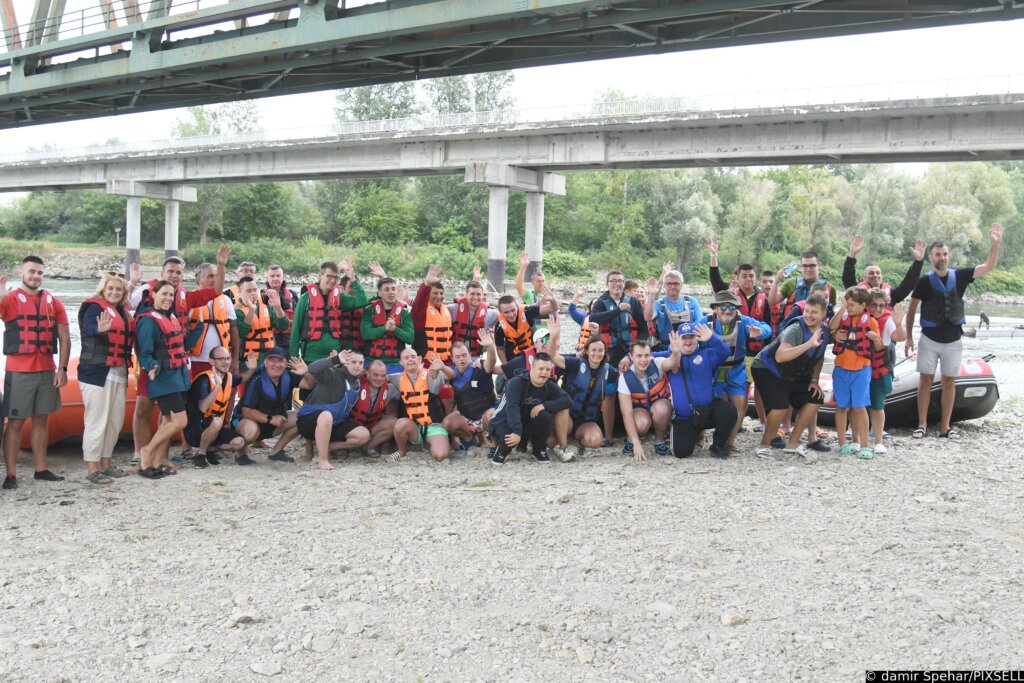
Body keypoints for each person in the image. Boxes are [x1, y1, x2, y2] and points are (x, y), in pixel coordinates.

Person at [128, 245, 229, 466]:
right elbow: (125, 305)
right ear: (162, 275)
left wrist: (221, 265)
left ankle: (161, 456)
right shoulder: (146, 292)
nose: (174, 276)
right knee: (144, 407)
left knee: (169, 414)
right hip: (152, 362)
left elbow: (217, 291)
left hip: (176, 365)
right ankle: (139, 452)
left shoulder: (186, 297)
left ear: (182, 276)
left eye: (178, 273)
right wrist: (132, 281)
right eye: (170, 272)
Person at [905, 224, 1003, 439]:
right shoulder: (924, 281)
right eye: (938, 254)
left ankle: (945, 427)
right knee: (925, 380)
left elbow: (989, 265)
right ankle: (921, 424)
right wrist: (909, 337)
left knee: (950, 381)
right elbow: (912, 309)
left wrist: (995, 244)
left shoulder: (961, 276)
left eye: (945, 254)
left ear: (948, 255)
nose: (942, 257)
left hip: (953, 340)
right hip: (929, 339)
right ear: (931, 257)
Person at [1, 256, 71, 490]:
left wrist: (62, 368)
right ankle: (11, 474)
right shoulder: (9, 299)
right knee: (15, 423)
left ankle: (40, 468)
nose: (35, 276)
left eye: (40, 272)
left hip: (46, 370)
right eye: (31, 271)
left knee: (42, 419)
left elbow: (64, 337)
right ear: (21, 271)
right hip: (18, 371)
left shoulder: (53, 301)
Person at [135, 280, 204, 479]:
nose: (168, 298)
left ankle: (155, 462)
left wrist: (198, 330)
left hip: (177, 376)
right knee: (180, 420)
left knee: (167, 420)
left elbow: (183, 345)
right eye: (163, 294)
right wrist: (151, 366)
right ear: (153, 295)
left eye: (171, 295)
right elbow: (145, 353)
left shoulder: (170, 316)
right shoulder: (148, 320)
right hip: (163, 378)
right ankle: (147, 452)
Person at [769, 252, 835, 453]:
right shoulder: (794, 295)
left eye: (812, 265)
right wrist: (777, 281)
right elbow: (774, 304)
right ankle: (784, 428)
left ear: (819, 265)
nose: (808, 268)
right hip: (792, 352)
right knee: (790, 389)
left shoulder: (829, 291)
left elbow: (830, 323)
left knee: (810, 391)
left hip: (811, 353)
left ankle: (812, 435)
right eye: (805, 265)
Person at [751, 295, 830, 459]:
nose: (808, 315)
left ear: (823, 315)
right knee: (780, 405)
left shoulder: (824, 331)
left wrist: (814, 380)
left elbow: (819, 356)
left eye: (814, 312)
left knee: (815, 398)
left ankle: (793, 443)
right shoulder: (795, 329)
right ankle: (764, 445)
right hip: (766, 368)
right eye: (806, 311)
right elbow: (780, 356)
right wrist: (809, 343)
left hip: (789, 373)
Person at [694, 290, 772, 451]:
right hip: (713, 373)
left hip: (736, 372)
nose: (727, 310)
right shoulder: (704, 322)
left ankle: (729, 442)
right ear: (715, 308)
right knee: (705, 405)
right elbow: (687, 333)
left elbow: (766, 327)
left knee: (741, 405)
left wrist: (760, 332)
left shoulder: (743, 322)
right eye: (723, 307)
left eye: (732, 307)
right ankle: (699, 436)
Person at [77, 273, 134, 485]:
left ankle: (106, 464)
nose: (114, 292)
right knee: (96, 421)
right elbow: (90, 329)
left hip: (118, 373)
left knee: (114, 422)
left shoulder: (122, 312)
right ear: (103, 289)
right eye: (110, 288)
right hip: (96, 373)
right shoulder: (94, 308)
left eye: (118, 289)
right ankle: (92, 469)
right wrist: (99, 330)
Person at [545, 317, 616, 462]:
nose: (597, 353)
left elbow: (609, 404)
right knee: (550, 442)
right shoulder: (575, 364)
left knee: (595, 441)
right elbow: (551, 357)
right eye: (593, 350)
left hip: (586, 421)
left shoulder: (611, 372)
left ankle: (576, 443)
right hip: (566, 415)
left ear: (605, 352)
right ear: (587, 351)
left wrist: (608, 436)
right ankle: (563, 446)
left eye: (600, 350)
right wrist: (553, 337)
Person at [665, 323, 737, 459]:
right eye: (684, 337)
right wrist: (628, 358)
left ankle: (718, 446)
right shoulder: (668, 356)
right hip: (684, 417)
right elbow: (646, 357)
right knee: (681, 453)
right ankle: (695, 435)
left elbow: (725, 351)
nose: (687, 341)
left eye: (691, 337)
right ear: (677, 340)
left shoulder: (707, 354)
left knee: (729, 411)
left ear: (697, 338)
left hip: (708, 410)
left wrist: (712, 338)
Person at [487, 352, 571, 465]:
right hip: (504, 421)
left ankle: (539, 450)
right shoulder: (516, 383)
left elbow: (567, 400)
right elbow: (512, 408)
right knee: (508, 436)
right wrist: (517, 432)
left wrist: (545, 405)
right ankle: (501, 451)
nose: (544, 372)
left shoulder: (549, 385)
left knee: (544, 416)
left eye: (547, 369)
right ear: (532, 367)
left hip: (524, 422)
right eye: (541, 368)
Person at [828, 287, 882, 460]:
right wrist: (842, 309)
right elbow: (831, 327)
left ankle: (865, 446)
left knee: (859, 407)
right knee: (841, 406)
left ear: (863, 305)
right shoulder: (843, 316)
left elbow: (879, 347)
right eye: (847, 304)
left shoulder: (871, 322)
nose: (849, 307)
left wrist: (874, 338)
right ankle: (843, 443)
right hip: (841, 369)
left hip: (861, 370)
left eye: (852, 305)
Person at [296, 350, 371, 470]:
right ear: (345, 363)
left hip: (334, 424)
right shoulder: (333, 374)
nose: (357, 365)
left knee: (363, 435)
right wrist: (335, 360)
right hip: (307, 423)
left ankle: (329, 447)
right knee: (326, 415)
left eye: (360, 363)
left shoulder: (357, 381)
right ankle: (323, 460)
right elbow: (312, 369)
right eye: (353, 362)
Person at [232, 347, 307, 463]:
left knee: (304, 416)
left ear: (285, 363)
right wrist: (270, 419)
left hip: (271, 423)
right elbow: (246, 411)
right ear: (265, 363)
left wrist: (307, 373)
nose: (276, 365)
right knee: (251, 431)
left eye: (280, 361)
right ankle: (240, 452)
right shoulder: (257, 378)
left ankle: (276, 451)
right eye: (272, 360)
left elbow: (309, 385)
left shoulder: (288, 375)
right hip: (248, 422)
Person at [185, 347, 256, 468]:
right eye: (221, 359)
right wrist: (217, 386)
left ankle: (210, 449)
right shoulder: (204, 380)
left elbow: (243, 378)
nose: (226, 362)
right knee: (217, 421)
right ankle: (200, 455)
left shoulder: (228, 377)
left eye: (228, 358)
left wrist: (252, 369)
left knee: (239, 443)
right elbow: (202, 408)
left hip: (216, 428)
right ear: (211, 361)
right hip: (195, 430)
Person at [291, 259, 367, 363]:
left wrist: (352, 278)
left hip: (334, 356)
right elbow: (295, 329)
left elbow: (362, 301)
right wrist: (294, 357)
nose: (332, 280)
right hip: (309, 355)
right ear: (320, 275)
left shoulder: (341, 298)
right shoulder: (306, 298)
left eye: (336, 277)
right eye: (329, 276)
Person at [617, 338, 678, 462]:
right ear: (632, 358)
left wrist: (676, 351)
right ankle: (632, 439)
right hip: (639, 411)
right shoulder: (625, 378)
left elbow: (671, 362)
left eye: (646, 355)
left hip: (657, 406)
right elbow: (627, 414)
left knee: (662, 408)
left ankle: (659, 441)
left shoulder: (657, 363)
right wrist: (636, 444)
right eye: (639, 356)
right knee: (640, 423)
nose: (643, 360)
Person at [388, 347, 453, 463]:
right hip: (414, 428)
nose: (410, 360)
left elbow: (452, 376)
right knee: (400, 423)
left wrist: (442, 367)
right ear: (401, 362)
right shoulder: (396, 378)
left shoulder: (431, 374)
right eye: (406, 358)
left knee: (441, 456)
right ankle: (401, 451)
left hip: (433, 426)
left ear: (419, 359)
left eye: (413, 357)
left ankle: (432, 442)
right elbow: (377, 377)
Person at [436, 338, 496, 452]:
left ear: (470, 354)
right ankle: (468, 438)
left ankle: (494, 444)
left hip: (487, 415)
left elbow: (491, 362)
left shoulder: (479, 367)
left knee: (491, 415)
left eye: (464, 355)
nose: (462, 359)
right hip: (469, 418)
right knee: (447, 423)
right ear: (452, 359)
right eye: (457, 357)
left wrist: (490, 346)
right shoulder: (451, 374)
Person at [867, 289, 906, 455]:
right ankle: (857, 438)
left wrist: (898, 323)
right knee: (858, 405)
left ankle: (878, 441)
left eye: (882, 306)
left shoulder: (888, 321)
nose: (878, 309)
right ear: (867, 305)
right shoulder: (861, 319)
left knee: (877, 405)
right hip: (861, 368)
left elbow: (899, 337)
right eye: (874, 305)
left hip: (880, 369)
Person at [187, 262, 239, 379]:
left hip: (221, 362)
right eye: (210, 276)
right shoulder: (190, 299)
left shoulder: (226, 299)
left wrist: (234, 360)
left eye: (216, 276)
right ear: (198, 279)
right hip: (195, 360)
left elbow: (234, 330)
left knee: (220, 394)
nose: (214, 279)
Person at [842, 234, 926, 306]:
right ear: (864, 277)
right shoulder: (857, 292)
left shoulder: (892, 295)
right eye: (871, 273)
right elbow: (847, 279)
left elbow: (908, 284)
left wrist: (918, 262)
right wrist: (851, 255)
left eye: (878, 273)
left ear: (881, 276)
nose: (875, 275)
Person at [644, 264, 701, 354]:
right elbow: (647, 317)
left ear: (681, 285)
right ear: (664, 286)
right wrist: (651, 295)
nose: (672, 286)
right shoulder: (659, 304)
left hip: (690, 349)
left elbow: (700, 323)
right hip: (667, 351)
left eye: (676, 283)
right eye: (669, 284)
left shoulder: (692, 301)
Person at [348, 360, 400, 457]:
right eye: (375, 375)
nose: (379, 379)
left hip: (371, 426)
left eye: (382, 375)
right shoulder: (355, 384)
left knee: (394, 423)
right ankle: (338, 448)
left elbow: (411, 387)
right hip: (350, 427)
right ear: (366, 373)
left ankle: (366, 448)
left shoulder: (389, 389)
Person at [361, 277, 415, 371]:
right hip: (370, 361)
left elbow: (410, 338)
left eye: (393, 289)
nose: (391, 292)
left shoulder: (405, 312)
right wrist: (384, 328)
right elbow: (365, 334)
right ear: (379, 293)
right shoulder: (369, 310)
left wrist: (395, 329)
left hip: (395, 363)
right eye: (387, 289)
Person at [235, 276, 289, 366]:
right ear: (239, 293)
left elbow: (283, 326)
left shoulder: (266, 308)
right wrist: (251, 310)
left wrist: (278, 308)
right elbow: (241, 332)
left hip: (269, 359)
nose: (253, 293)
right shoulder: (236, 311)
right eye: (248, 291)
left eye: (255, 290)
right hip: (248, 362)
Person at [493, 293, 557, 364]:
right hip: (514, 356)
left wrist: (552, 300)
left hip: (534, 350)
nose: (511, 315)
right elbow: (500, 348)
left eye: (513, 310)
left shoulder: (527, 311)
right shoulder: (499, 326)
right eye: (506, 312)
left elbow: (552, 308)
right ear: (500, 312)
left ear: (517, 307)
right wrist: (505, 366)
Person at [448, 270, 497, 358]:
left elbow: (508, 312)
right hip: (454, 359)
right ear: (466, 294)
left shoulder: (489, 314)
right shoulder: (453, 309)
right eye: (472, 294)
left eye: (478, 294)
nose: (475, 297)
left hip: (475, 358)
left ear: (482, 296)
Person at [411, 265, 453, 363]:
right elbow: (419, 301)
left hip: (445, 362)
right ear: (428, 295)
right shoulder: (421, 312)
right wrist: (427, 284)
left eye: (441, 293)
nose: (439, 296)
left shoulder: (446, 310)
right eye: (434, 293)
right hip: (426, 362)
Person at [263, 264, 300, 353]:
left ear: (283, 277)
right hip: (268, 339)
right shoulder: (261, 296)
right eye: (272, 276)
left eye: (278, 276)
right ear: (267, 277)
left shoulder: (292, 295)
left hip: (289, 339)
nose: (275, 278)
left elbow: (298, 317)